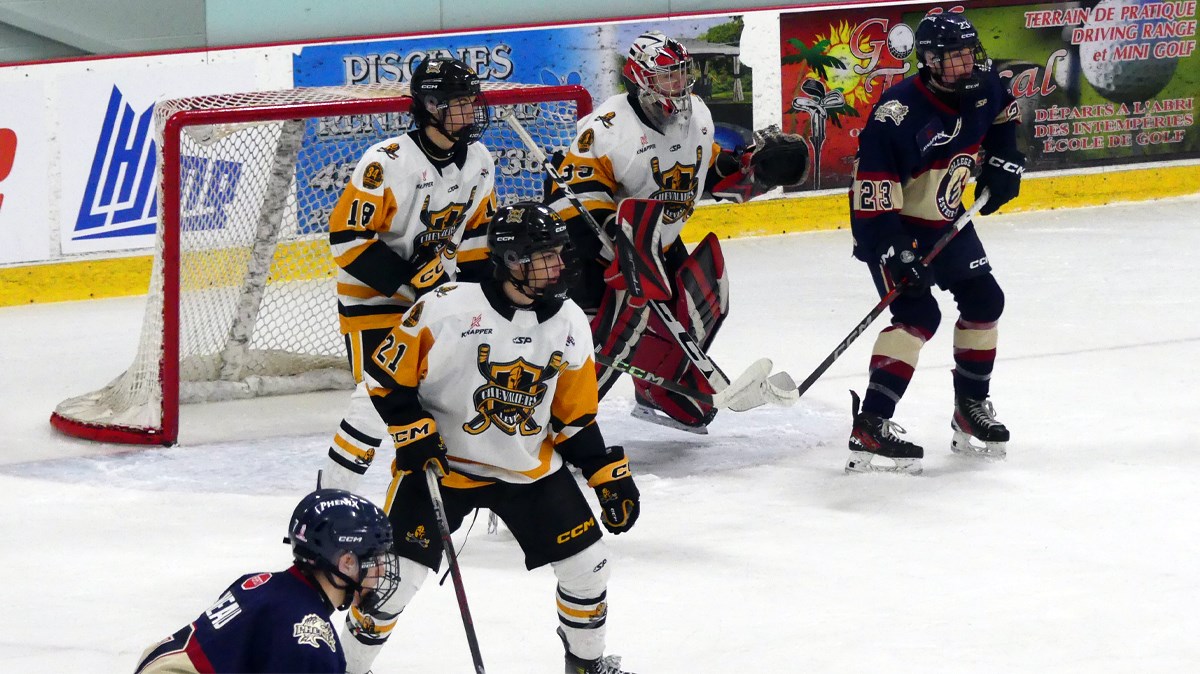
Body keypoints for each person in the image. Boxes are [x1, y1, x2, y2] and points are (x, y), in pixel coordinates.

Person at [338, 202, 640, 674]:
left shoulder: (569, 322)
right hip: (443, 470)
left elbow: (574, 417)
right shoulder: (445, 307)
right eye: (546, 256)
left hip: (528, 471)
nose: (560, 265)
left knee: (590, 566)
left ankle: (586, 666)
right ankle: (344, 670)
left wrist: (606, 473)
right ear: (513, 261)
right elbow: (383, 378)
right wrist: (411, 430)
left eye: (561, 253)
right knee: (391, 583)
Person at [546, 30, 808, 434]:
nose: (680, 84)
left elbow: (706, 171)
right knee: (598, 344)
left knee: (685, 334)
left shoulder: (697, 116)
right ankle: (554, 421)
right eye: (668, 75)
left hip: (658, 243)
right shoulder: (606, 128)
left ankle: (654, 391)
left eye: (682, 73)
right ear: (639, 77)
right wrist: (621, 245)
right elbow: (571, 199)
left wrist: (748, 166)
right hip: (597, 256)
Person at [845, 10, 1022, 474]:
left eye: (969, 55)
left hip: (947, 220)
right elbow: (871, 202)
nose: (965, 66)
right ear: (927, 61)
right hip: (893, 225)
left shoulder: (985, 86)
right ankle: (871, 425)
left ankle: (971, 409)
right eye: (953, 59)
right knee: (919, 315)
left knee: (986, 299)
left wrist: (1006, 159)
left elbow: (1004, 115)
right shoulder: (895, 115)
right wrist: (895, 250)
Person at [321, 56, 498, 494]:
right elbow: (347, 239)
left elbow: (477, 241)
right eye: (459, 103)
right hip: (374, 301)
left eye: (471, 102)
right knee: (375, 401)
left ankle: (477, 488)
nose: (470, 112)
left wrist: (483, 303)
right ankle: (330, 498)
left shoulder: (479, 160)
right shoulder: (387, 162)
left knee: (462, 395)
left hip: (440, 300)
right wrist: (412, 282)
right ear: (431, 106)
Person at [135, 489, 397, 674]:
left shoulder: (260, 584)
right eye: (374, 559)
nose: (382, 569)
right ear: (347, 562)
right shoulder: (311, 641)